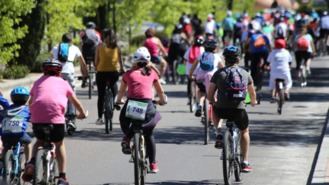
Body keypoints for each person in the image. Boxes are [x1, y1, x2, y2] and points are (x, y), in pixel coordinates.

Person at [22, 60, 88, 185]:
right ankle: (62, 177)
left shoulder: (37, 82)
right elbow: (75, 102)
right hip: (57, 123)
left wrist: (32, 115)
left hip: (38, 122)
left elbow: (30, 102)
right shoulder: (64, 83)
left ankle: (31, 163)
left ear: (44, 70)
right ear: (59, 71)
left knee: (38, 142)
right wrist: (82, 114)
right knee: (59, 144)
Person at [116, 47, 167, 173]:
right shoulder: (152, 73)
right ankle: (153, 164)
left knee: (124, 119)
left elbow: (122, 91)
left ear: (135, 61)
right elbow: (160, 91)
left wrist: (118, 101)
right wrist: (162, 101)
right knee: (149, 134)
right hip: (148, 107)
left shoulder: (128, 74)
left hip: (132, 105)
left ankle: (127, 137)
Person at [207, 45, 257, 172]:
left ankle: (218, 133)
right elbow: (252, 94)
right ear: (238, 59)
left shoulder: (219, 73)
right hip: (238, 110)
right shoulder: (245, 73)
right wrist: (253, 102)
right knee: (245, 131)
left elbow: (210, 93)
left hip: (222, 110)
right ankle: (245, 162)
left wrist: (212, 100)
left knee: (214, 106)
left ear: (225, 58)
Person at [51, 33, 88, 129]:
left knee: (57, 95)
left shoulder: (56, 48)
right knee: (71, 96)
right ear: (71, 41)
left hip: (57, 73)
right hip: (69, 73)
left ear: (61, 40)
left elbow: (51, 60)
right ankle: (71, 120)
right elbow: (83, 63)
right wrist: (85, 74)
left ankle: (55, 117)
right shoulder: (75, 48)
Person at [94, 28, 124, 125]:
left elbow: (96, 61)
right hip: (113, 72)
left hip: (101, 72)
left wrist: (97, 67)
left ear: (104, 36)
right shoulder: (117, 47)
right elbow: (120, 61)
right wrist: (122, 69)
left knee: (101, 95)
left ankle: (99, 118)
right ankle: (115, 100)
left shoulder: (99, 46)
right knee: (113, 84)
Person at [189, 38, 224, 117]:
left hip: (200, 77)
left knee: (201, 93)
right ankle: (212, 117)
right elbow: (223, 68)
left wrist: (190, 75)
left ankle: (200, 105)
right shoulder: (217, 56)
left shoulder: (201, 55)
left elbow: (193, 66)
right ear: (214, 48)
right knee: (212, 96)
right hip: (212, 79)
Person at [0, 87, 32, 166]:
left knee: (6, 146)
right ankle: (28, 162)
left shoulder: (7, 109)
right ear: (26, 98)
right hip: (20, 134)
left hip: (5, 135)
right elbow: (33, 119)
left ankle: (1, 159)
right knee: (28, 142)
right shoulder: (27, 110)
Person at [184, 35, 204, 105]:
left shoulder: (190, 48)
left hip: (189, 69)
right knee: (199, 84)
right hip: (199, 70)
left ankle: (189, 98)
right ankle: (199, 98)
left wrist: (183, 69)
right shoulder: (203, 49)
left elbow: (185, 60)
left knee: (189, 83)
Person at [80, 21, 101, 88]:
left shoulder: (83, 32)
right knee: (97, 64)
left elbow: (81, 43)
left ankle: (84, 80)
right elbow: (99, 43)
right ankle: (98, 79)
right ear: (94, 27)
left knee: (83, 64)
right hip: (94, 52)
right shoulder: (97, 33)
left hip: (85, 52)